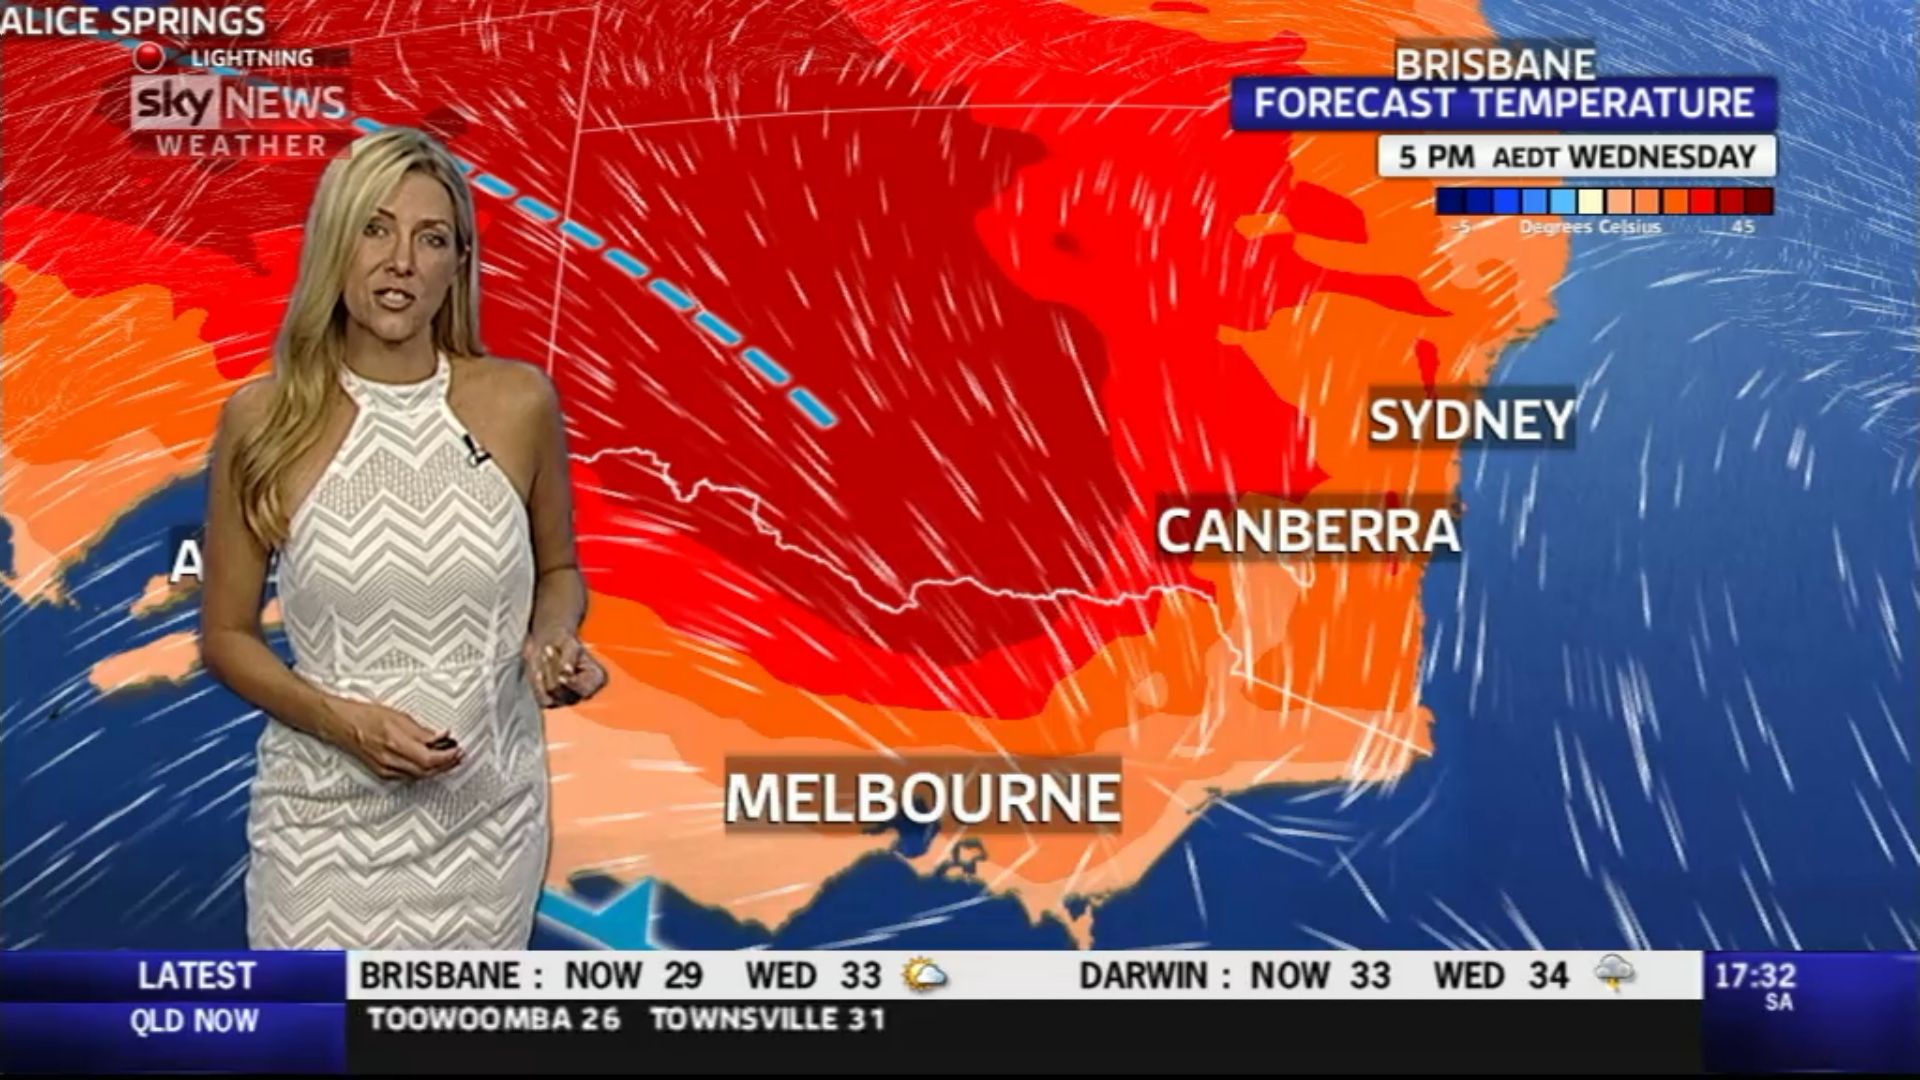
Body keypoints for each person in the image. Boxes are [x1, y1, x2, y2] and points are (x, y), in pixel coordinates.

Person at [199, 126, 608, 949]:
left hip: (488, 832)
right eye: (375, 230)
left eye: (431, 239)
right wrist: (343, 722)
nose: (401, 262)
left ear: (459, 263)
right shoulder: (264, 419)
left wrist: (551, 642)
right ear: (334, 246)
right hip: (320, 836)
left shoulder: (519, 402)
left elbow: (557, 569)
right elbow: (227, 636)